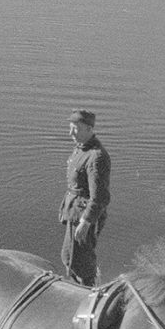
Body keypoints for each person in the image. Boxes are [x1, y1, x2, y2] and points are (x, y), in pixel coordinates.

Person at [58, 108, 110, 286]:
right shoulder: (82, 149)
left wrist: (86, 222)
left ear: (89, 129)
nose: (71, 133)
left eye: (76, 128)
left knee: (80, 263)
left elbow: (100, 197)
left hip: (83, 216)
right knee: (69, 256)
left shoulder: (96, 157)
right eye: (70, 128)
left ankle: (87, 294)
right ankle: (77, 288)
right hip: (75, 213)